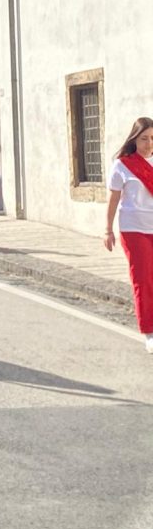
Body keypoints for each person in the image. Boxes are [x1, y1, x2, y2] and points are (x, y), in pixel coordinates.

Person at [105, 117, 153, 353]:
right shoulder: (123, 165)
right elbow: (113, 200)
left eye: (152, 138)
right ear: (134, 139)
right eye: (144, 138)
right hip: (134, 229)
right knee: (143, 279)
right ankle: (149, 332)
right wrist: (108, 229)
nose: (149, 143)